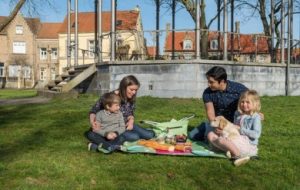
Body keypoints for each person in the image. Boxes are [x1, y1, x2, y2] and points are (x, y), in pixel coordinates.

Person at [85, 75, 155, 152]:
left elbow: (130, 113)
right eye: (131, 89)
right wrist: (92, 122)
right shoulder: (110, 97)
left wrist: (131, 121)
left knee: (150, 135)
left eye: (136, 90)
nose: (134, 92)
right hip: (111, 126)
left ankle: (102, 145)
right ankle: (103, 144)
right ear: (124, 87)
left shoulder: (131, 98)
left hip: (125, 124)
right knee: (134, 137)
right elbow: (93, 110)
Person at [188, 66, 248, 142]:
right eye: (208, 81)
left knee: (229, 141)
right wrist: (217, 127)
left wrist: (257, 112)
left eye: (211, 82)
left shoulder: (239, 89)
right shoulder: (207, 93)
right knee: (192, 135)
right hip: (216, 123)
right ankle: (204, 128)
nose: (208, 84)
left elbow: (251, 101)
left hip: (234, 125)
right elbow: (210, 112)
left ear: (222, 81)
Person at [208, 90, 262, 166]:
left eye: (247, 102)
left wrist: (240, 129)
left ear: (255, 104)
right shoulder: (237, 114)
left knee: (220, 140)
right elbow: (233, 130)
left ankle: (237, 155)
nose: (244, 104)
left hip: (248, 144)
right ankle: (229, 150)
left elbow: (256, 134)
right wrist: (222, 131)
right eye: (242, 102)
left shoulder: (255, 117)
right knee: (211, 134)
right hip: (236, 139)